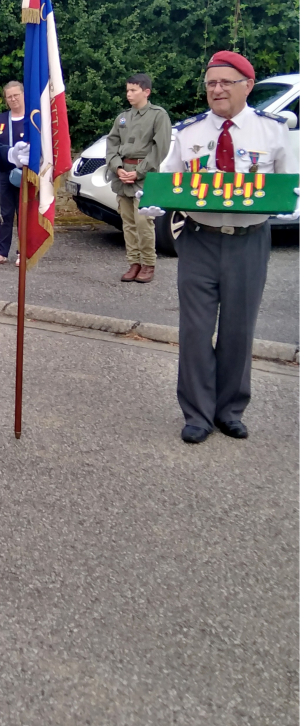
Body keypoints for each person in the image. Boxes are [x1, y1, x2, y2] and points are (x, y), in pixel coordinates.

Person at [152, 50, 298, 444]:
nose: (216, 90)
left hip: (249, 241)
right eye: (210, 83)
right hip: (200, 240)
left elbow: (288, 187)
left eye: (225, 82)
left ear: (247, 86)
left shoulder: (273, 130)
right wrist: (147, 189)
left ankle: (230, 410)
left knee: (238, 329)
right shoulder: (190, 132)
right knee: (196, 331)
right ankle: (197, 414)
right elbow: (170, 179)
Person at [105, 73, 171, 283]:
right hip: (123, 175)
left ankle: (148, 264)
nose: (129, 94)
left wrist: (140, 171)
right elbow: (112, 144)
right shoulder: (123, 117)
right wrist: (117, 168)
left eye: (133, 90)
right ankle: (134, 262)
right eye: (127, 90)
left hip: (145, 176)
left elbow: (160, 148)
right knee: (128, 222)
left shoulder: (158, 115)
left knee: (144, 222)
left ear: (146, 92)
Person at [0, 79, 26, 268]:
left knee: (23, 214)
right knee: (5, 213)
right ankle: (2, 252)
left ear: (23, 95)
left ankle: (23, 251)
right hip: (4, 173)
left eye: (16, 95)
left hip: (25, 174)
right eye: (9, 97)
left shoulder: (32, 119)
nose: (13, 100)